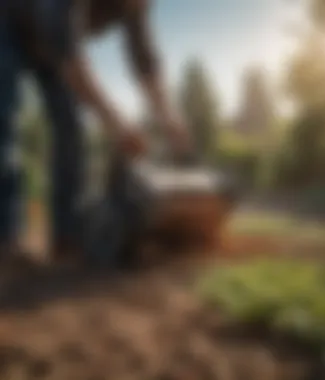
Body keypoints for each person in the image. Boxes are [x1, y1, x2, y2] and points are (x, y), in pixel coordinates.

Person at [0, 0, 190, 264]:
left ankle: (67, 237)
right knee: (4, 119)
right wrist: (116, 123)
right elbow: (72, 61)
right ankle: (4, 238)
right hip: (9, 25)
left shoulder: (136, 6)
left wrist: (169, 118)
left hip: (49, 47)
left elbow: (144, 61)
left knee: (71, 129)